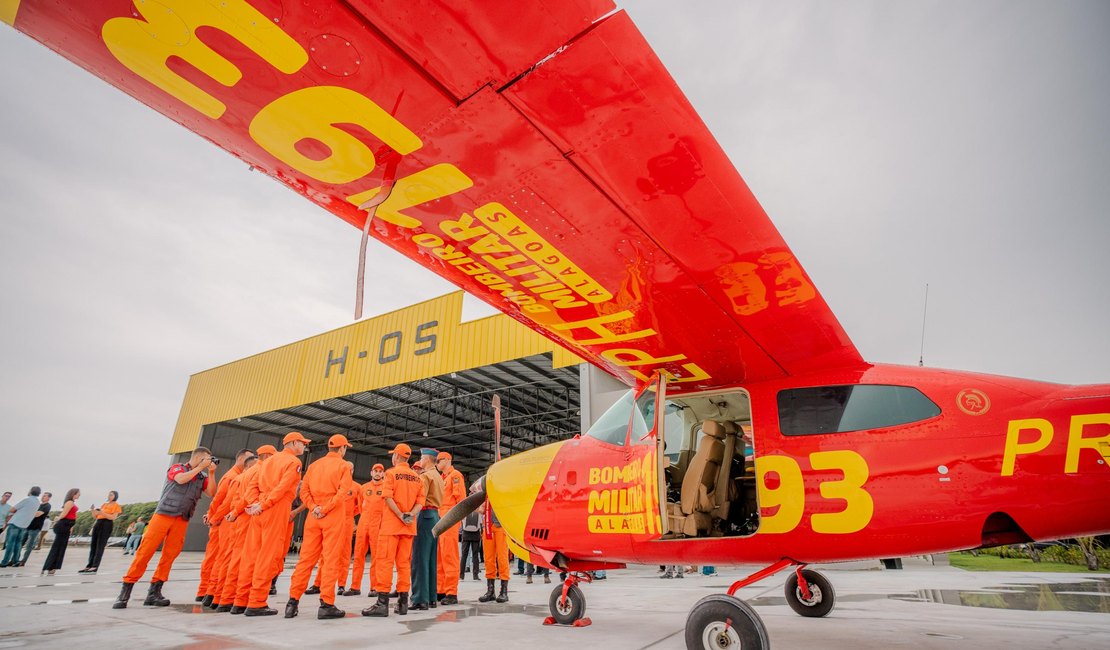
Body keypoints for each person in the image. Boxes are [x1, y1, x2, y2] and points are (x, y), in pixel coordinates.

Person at [112, 447, 216, 609]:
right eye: (207, 459)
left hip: (182, 518)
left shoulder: (201, 476)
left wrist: (210, 473)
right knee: (145, 552)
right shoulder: (178, 468)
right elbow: (181, 479)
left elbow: (211, 492)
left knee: (170, 555)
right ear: (199, 458)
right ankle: (125, 591)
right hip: (163, 516)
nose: (209, 462)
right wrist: (199, 468)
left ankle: (154, 591)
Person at [285, 434, 352, 620]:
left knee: (305, 560)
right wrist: (326, 508)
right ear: (342, 449)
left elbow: (303, 491)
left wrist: (315, 508)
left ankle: (292, 602)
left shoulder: (314, 466)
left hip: (313, 517)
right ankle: (326, 604)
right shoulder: (343, 466)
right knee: (330, 560)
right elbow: (343, 492)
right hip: (333, 516)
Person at [243, 431, 309, 616]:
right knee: (268, 555)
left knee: (251, 554)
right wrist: (264, 504)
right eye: (302, 443)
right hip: (276, 507)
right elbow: (284, 487)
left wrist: (255, 503)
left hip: (259, 508)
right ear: (294, 442)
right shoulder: (294, 462)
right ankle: (256, 602)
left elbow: (252, 485)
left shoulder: (266, 461)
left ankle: (241, 599)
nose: (304, 446)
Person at [362, 443, 424, 618]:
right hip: (409, 527)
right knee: (404, 564)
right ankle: (403, 602)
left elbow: (387, 496)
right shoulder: (417, 478)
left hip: (391, 526)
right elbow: (421, 501)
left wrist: (399, 514)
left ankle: (382, 603)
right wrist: (410, 515)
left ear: (396, 456)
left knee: (385, 562)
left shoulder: (390, 473)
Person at [212, 447, 268, 612]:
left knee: (229, 559)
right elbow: (242, 499)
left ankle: (219, 596)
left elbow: (228, 500)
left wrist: (218, 516)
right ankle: (232, 599)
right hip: (245, 518)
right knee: (242, 560)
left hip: (236, 519)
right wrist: (218, 517)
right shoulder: (257, 473)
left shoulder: (239, 477)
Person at [196, 449, 253, 605]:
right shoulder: (234, 477)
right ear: (242, 459)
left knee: (217, 558)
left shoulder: (233, 476)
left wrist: (212, 515)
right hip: (225, 521)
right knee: (220, 558)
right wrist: (214, 517)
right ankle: (211, 592)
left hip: (222, 519)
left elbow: (218, 500)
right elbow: (223, 501)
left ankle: (209, 592)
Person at [343, 462, 384, 596]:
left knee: (377, 557)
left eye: (380, 471)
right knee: (358, 555)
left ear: (383, 474)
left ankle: (375, 587)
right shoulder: (363, 488)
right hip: (363, 522)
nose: (377, 473)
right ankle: (355, 587)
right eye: (375, 471)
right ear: (371, 473)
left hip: (377, 524)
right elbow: (360, 506)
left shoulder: (386, 488)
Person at [410, 448, 443, 610]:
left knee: (419, 559)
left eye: (421, 458)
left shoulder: (425, 476)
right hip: (435, 516)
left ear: (427, 459)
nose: (420, 461)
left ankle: (419, 598)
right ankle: (431, 597)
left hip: (424, 516)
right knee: (430, 559)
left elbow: (418, 498)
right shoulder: (438, 476)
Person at [435, 451, 465, 604]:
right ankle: (441, 590)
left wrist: (456, 521)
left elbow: (461, 501)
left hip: (450, 520)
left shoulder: (455, 476)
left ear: (447, 460)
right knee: (440, 557)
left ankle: (452, 592)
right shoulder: (442, 479)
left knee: (449, 556)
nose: (437, 463)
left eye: (439, 461)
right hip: (440, 521)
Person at [79, 490, 121, 574]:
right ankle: (89, 565)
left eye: (111, 495)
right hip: (98, 523)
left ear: (115, 496)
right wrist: (92, 510)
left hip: (107, 524)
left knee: (100, 546)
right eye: (109, 494)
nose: (109, 496)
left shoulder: (116, 505)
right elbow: (96, 516)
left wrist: (102, 513)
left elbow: (113, 517)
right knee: (93, 545)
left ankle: (95, 566)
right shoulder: (104, 504)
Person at [478, 497, 510, 603]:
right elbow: (481, 510)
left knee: (502, 558)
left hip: (501, 526)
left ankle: (504, 591)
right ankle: (490, 591)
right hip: (488, 526)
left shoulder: (504, 488)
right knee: (488, 558)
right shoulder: (486, 491)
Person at [1, 487, 43, 567]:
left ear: (30, 491)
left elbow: (12, 509)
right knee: (18, 543)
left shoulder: (26, 499)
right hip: (24, 525)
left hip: (15, 523)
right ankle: (16, 561)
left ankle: (4, 562)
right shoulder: (37, 502)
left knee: (10, 543)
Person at [42, 489, 79, 575]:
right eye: (78, 494)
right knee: (58, 547)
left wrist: (71, 526)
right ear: (74, 494)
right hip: (63, 525)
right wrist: (57, 519)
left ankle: (51, 566)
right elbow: (64, 514)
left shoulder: (71, 502)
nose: (79, 495)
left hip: (66, 525)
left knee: (60, 546)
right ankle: (50, 566)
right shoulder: (69, 502)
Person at [18, 491, 51, 566]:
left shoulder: (47, 506)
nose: (43, 496)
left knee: (29, 545)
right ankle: (16, 559)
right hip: (27, 526)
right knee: (20, 543)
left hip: (35, 528)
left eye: (45, 496)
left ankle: (23, 561)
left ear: (49, 498)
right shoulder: (38, 504)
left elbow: (37, 514)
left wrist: (29, 512)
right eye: (43, 495)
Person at [459, 507, 482, 581]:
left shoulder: (465, 508)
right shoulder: (479, 509)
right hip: (476, 533)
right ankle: (475, 575)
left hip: (466, 533)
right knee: (475, 555)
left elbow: (461, 521)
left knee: (464, 555)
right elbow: (481, 522)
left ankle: (461, 575)